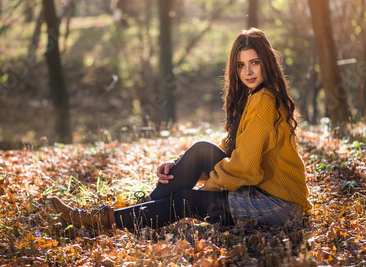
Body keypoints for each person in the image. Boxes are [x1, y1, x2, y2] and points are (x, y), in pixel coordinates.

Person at [49, 28, 313, 233]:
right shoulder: (256, 97)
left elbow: (244, 167)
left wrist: (208, 187)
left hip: (280, 206)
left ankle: (102, 220)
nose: (248, 71)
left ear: (266, 62)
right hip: (263, 190)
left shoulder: (265, 100)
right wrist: (180, 169)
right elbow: (235, 154)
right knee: (201, 150)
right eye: (241, 65)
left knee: (185, 201)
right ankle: (137, 210)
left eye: (254, 63)